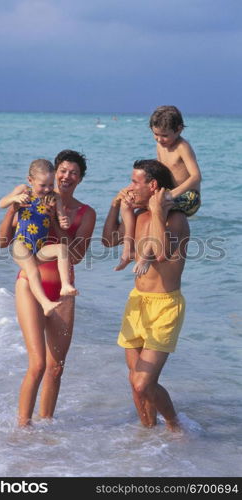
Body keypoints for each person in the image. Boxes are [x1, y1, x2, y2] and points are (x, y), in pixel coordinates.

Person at [0, 150, 96, 426]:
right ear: (54, 173)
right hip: (30, 285)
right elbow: (4, 242)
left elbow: (75, 256)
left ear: (80, 178)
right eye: (63, 170)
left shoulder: (85, 213)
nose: (67, 176)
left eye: (74, 173)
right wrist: (13, 210)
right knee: (38, 364)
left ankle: (47, 429)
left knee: (56, 368)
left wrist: (55, 219)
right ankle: (23, 427)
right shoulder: (29, 201)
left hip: (63, 292)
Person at [102, 159, 190, 432]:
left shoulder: (176, 219)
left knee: (144, 382)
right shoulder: (138, 217)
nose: (130, 187)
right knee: (135, 382)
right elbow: (108, 240)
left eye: (135, 182)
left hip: (164, 308)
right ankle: (148, 433)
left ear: (152, 186)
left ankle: (175, 425)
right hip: (137, 302)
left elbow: (162, 252)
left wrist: (158, 212)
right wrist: (116, 205)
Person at [115, 105, 201, 274]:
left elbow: (196, 177)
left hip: (188, 196)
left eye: (164, 135)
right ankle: (128, 249)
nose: (160, 139)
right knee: (127, 203)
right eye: (156, 135)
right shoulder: (160, 146)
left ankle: (147, 254)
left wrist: (172, 194)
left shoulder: (182, 147)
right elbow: (160, 173)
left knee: (159, 210)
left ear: (179, 129)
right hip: (167, 192)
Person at [0, 159, 78, 317]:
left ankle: (65, 285)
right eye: (43, 185)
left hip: (40, 248)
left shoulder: (55, 196)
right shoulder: (23, 190)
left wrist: (64, 221)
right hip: (21, 243)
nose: (47, 189)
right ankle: (45, 303)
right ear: (30, 180)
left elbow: (63, 221)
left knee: (62, 249)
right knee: (32, 270)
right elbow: (1, 203)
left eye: (50, 184)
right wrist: (14, 199)